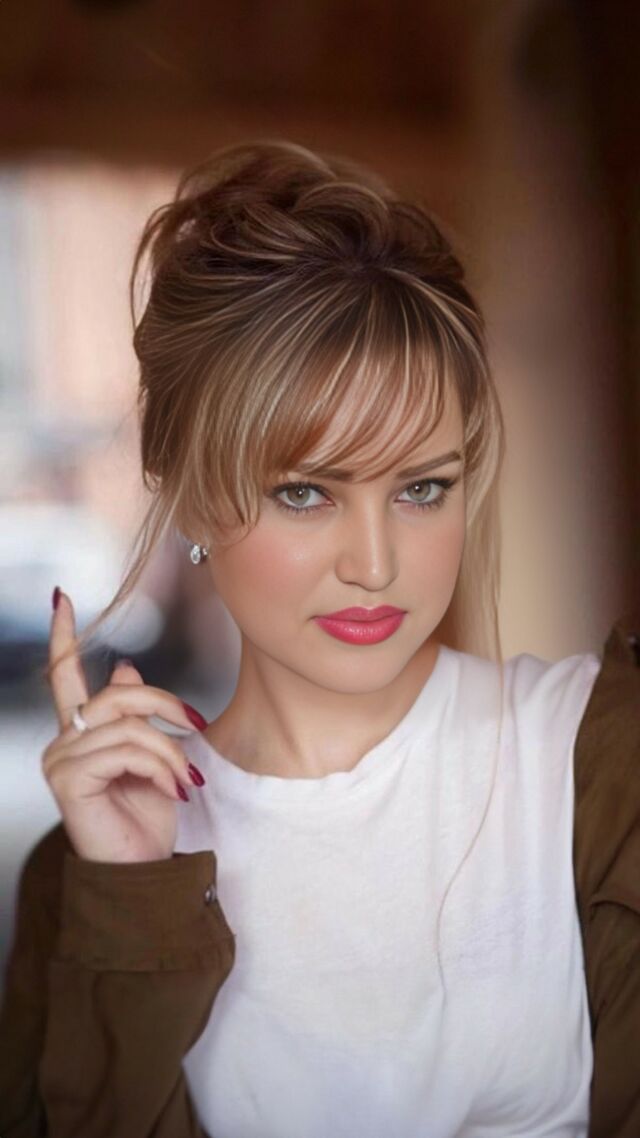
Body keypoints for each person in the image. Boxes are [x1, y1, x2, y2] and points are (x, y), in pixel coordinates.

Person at [0, 139, 638, 1138]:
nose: (375, 564)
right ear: (191, 494)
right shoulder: (93, 869)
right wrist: (128, 903)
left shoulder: (596, 759)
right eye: (305, 492)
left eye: (421, 487)